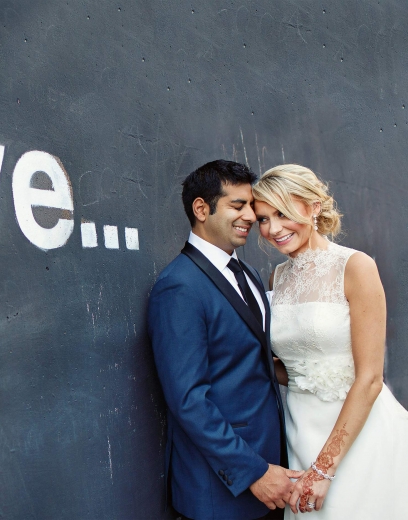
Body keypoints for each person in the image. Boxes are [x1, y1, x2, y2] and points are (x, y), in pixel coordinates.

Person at [252, 164, 408, 518]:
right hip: (300, 431)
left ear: (314, 207)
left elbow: (370, 379)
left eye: (282, 213)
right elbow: (297, 367)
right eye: (263, 218)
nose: (273, 229)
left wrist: (323, 469)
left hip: (361, 435)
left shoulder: (355, 266)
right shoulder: (279, 277)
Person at [149, 160, 301, 520]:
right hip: (222, 489)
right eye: (238, 205)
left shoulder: (248, 273)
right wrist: (255, 472)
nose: (251, 216)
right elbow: (188, 400)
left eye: (251, 206)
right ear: (202, 209)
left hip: (274, 471)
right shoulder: (179, 286)